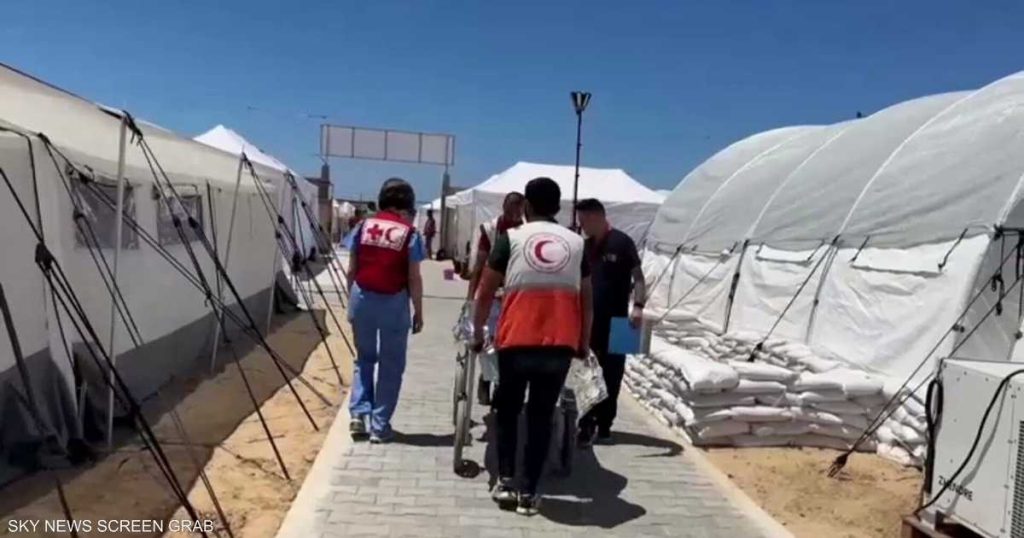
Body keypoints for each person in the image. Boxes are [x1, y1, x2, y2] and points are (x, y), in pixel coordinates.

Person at [472, 177, 592, 516]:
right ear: (558, 207)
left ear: (526, 205)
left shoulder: (510, 239)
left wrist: (478, 331)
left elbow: (485, 290)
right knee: (541, 416)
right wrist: (583, 342)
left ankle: (506, 480)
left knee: (508, 410)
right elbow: (587, 300)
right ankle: (529, 491)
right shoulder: (577, 244)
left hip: (516, 339)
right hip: (560, 342)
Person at [344, 178, 426, 443]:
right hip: (393, 301)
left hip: (362, 295)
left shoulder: (362, 226)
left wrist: (350, 300)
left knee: (364, 358)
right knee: (392, 365)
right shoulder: (410, 234)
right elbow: (414, 277)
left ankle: (359, 414)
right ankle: (380, 426)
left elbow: (352, 269)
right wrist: (418, 311)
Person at [574, 198, 646, 447]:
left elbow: (638, 278)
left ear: (596, 217)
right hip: (589, 321)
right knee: (587, 373)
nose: (581, 226)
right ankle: (585, 424)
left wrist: (638, 306)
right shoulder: (583, 247)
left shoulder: (622, 242)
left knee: (613, 376)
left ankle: (605, 426)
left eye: (583, 221)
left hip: (620, 322)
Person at [466, 192, 525, 405]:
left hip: (516, 293)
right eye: (512, 208)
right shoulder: (491, 230)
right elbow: (479, 265)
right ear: (504, 207)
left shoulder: (526, 230)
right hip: (492, 291)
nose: (515, 213)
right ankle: (486, 377)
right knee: (489, 338)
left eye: (519, 209)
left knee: (511, 341)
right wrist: (471, 298)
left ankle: (503, 384)